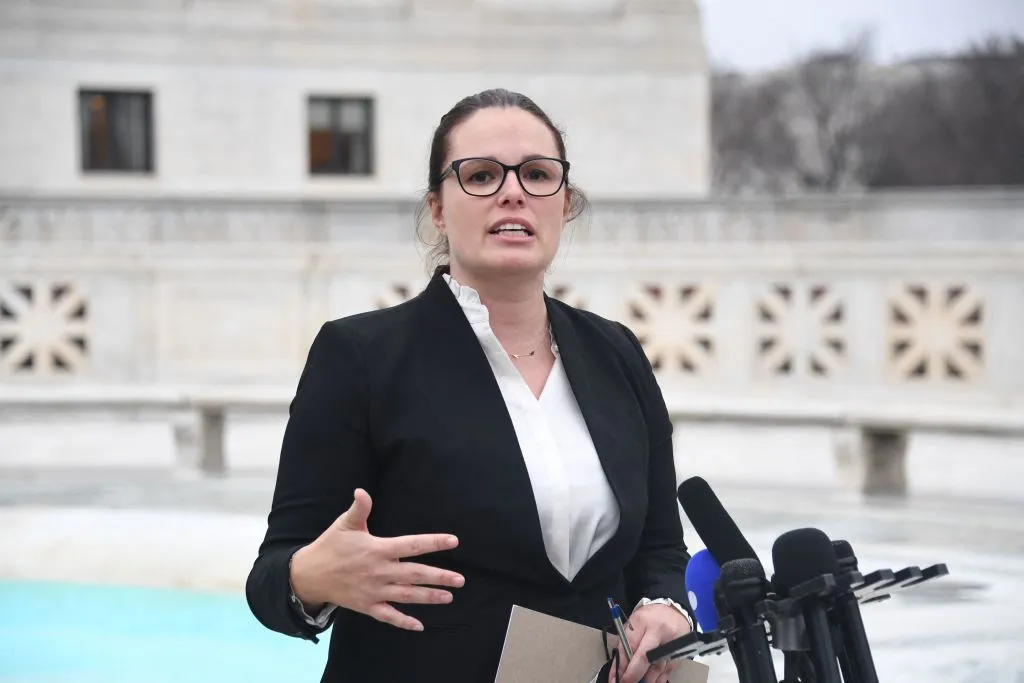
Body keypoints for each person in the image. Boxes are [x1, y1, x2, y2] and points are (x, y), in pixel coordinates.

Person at [245, 88, 695, 683]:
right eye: (481, 175)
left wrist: (665, 607)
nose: (513, 191)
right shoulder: (359, 356)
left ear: (565, 203)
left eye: (538, 174)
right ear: (437, 208)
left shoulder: (617, 352)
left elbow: (659, 548)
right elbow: (270, 580)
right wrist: (311, 578)